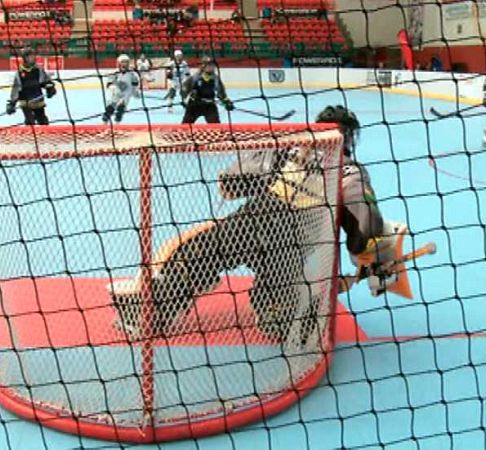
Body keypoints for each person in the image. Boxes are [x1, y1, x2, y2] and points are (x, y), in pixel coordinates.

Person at [109, 106, 404, 342]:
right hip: (290, 241)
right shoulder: (350, 172)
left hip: (254, 221)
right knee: (280, 316)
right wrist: (375, 264)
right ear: (349, 138)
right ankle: (286, 305)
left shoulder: (289, 146)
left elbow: (230, 184)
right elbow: (365, 226)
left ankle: (152, 311)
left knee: (197, 255)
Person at [7, 47, 56, 125]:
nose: (33, 58)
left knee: (43, 122)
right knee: (30, 122)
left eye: (33, 55)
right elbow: (16, 89)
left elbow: (46, 82)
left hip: (38, 101)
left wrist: (50, 89)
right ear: (24, 58)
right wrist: (12, 104)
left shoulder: (38, 69)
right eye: (29, 56)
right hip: (25, 102)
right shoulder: (19, 73)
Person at [181, 56, 234, 123]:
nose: (211, 67)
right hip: (194, 104)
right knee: (186, 126)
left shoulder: (215, 78)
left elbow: (221, 93)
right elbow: (185, 89)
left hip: (209, 104)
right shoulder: (195, 77)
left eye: (212, 65)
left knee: (215, 126)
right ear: (203, 66)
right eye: (209, 65)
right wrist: (184, 100)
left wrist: (226, 102)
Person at [102, 54, 140, 123]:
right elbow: (109, 83)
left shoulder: (132, 74)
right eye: (122, 62)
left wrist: (135, 92)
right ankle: (105, 121)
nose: (124, 64)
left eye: (126, 62)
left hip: (126, 94)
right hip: (115, 92)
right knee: (110, 108)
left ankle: (117, 122)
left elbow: (135, 84)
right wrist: (114, 87)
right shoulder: (114, 73)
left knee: (121, 109)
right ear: (119, 63)